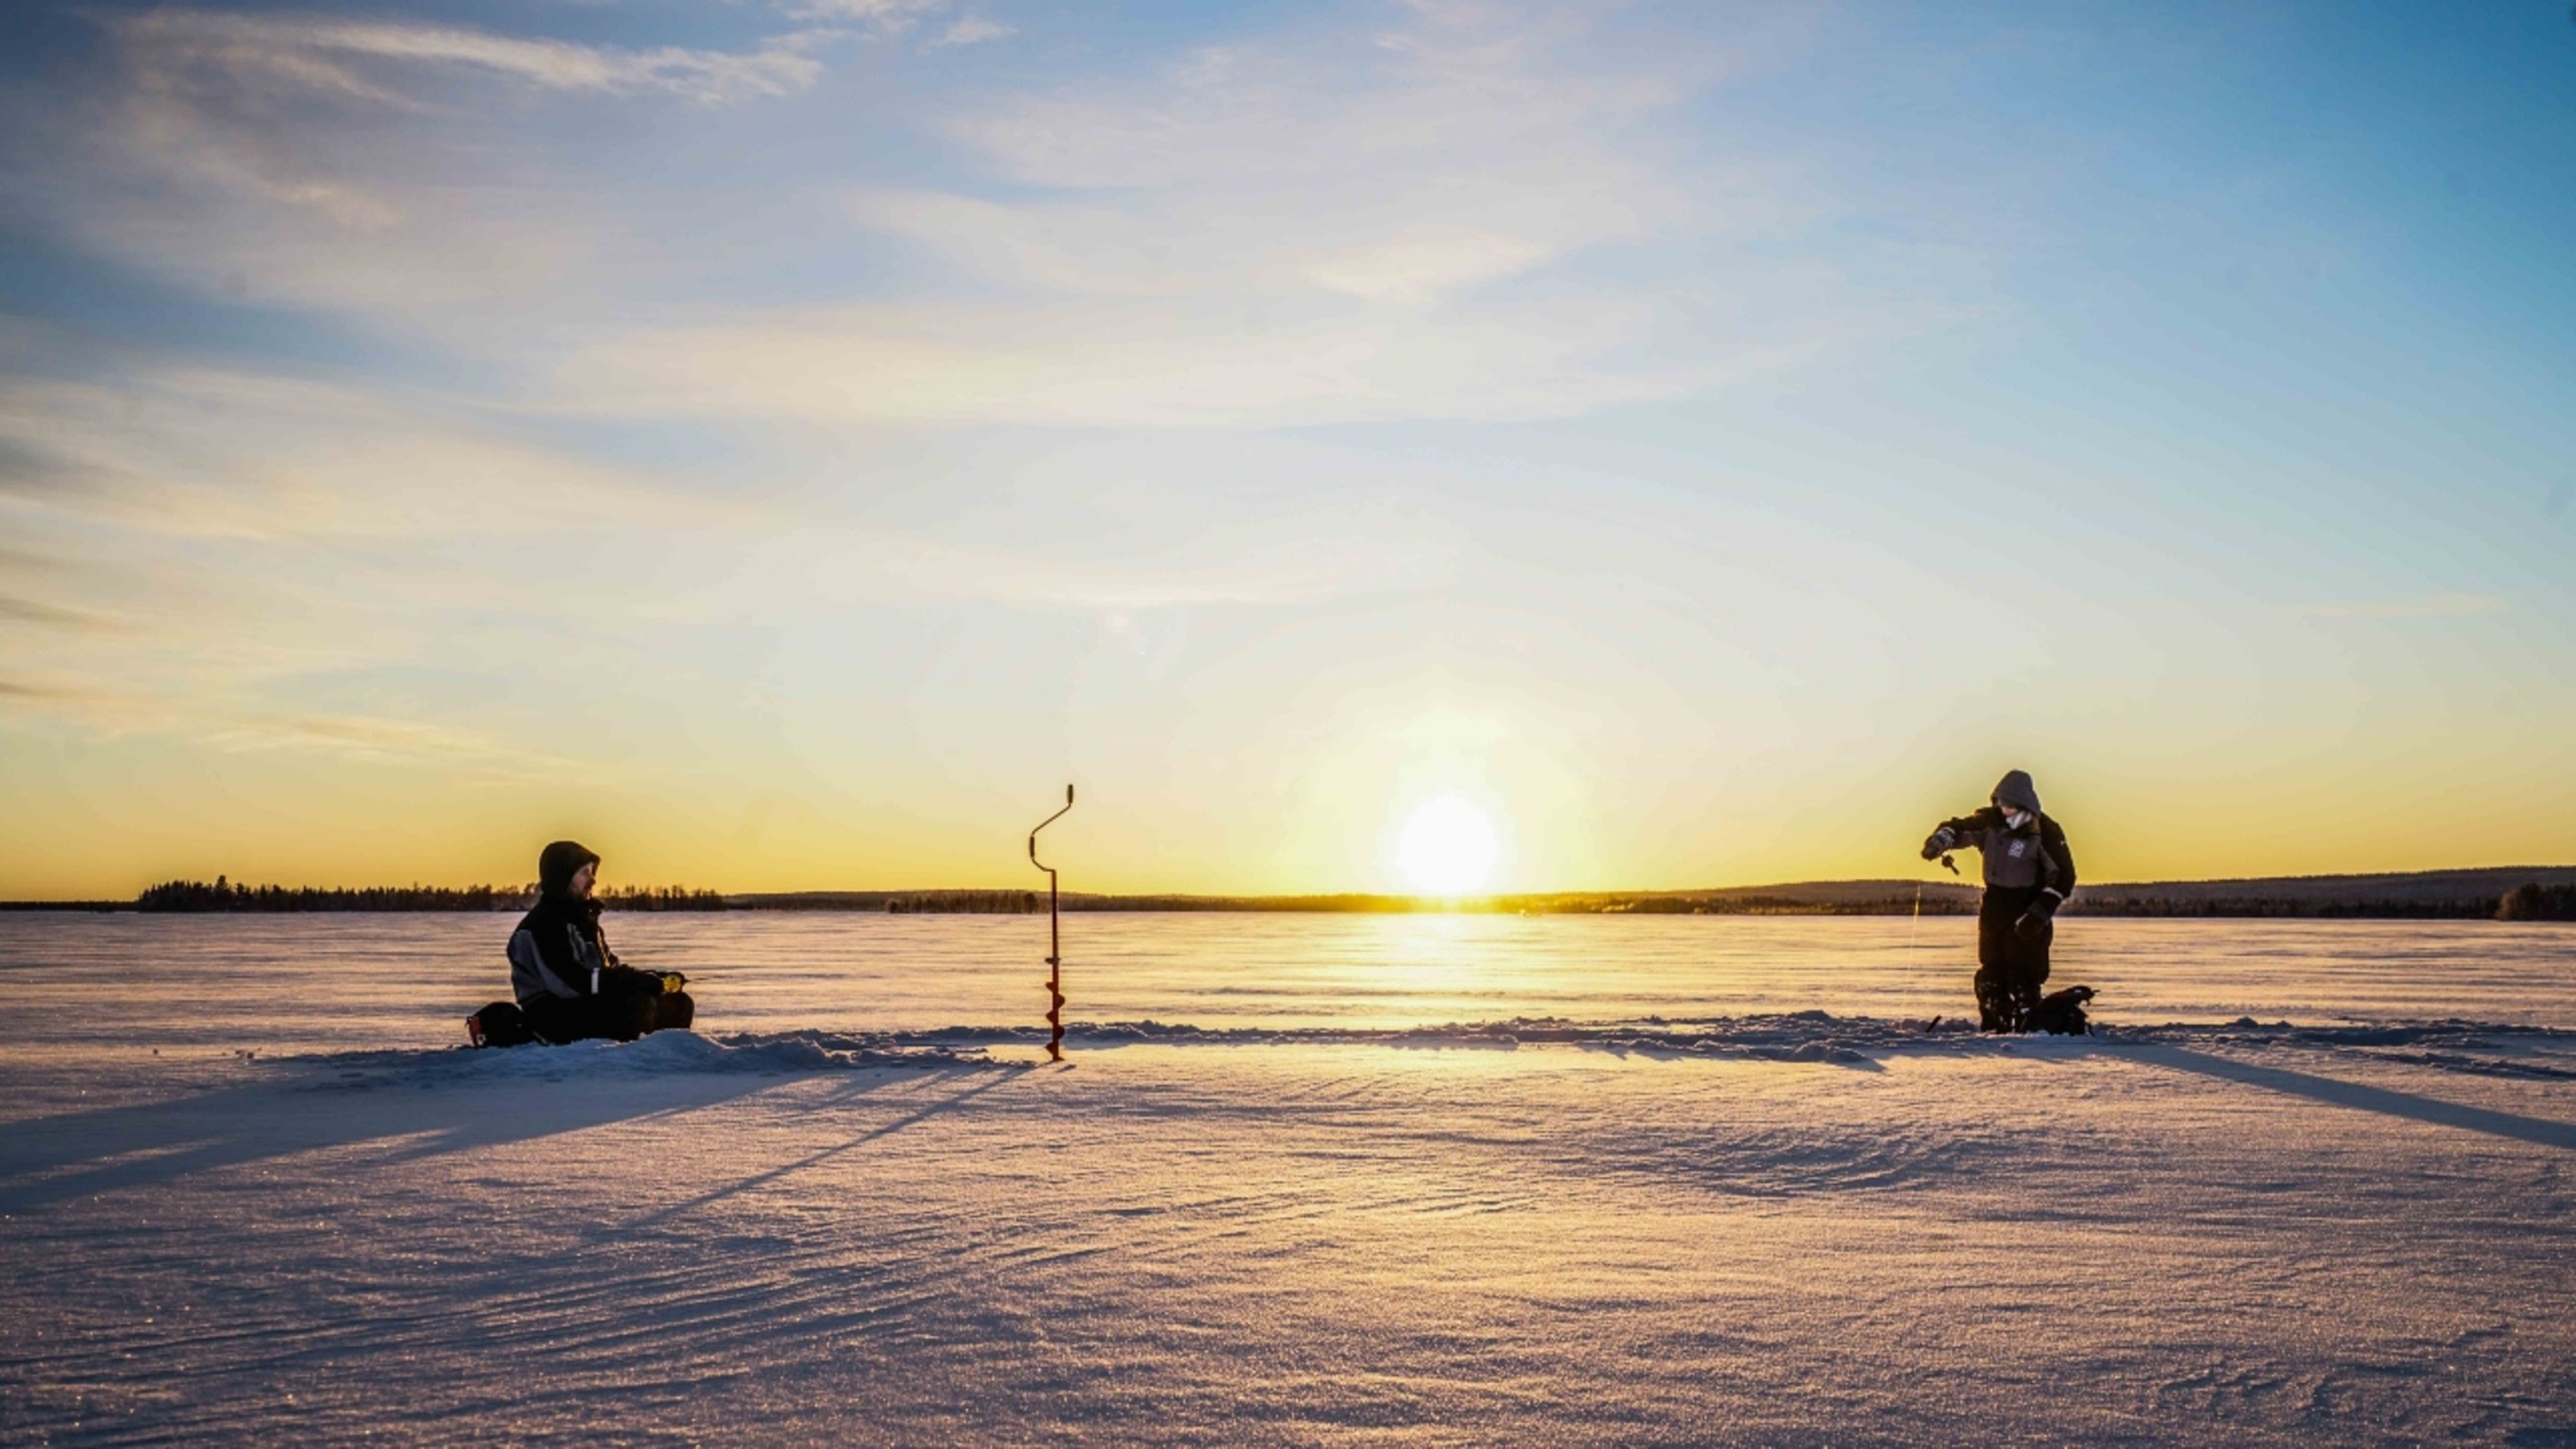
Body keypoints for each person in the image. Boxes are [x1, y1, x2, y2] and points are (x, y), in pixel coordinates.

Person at [1921, 770, 2076, 1033]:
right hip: (1994, 905)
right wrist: (1941, 839)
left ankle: (2029, 1032)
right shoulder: (1989, 822)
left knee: (2025, 978)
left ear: (2024, 805)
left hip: (2029, 907)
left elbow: (2063, 876)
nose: (2004, 810)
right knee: (1991, 974)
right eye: (2000, 804)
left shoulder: (2045, 831)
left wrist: (2039, 913)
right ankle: (1993, 1027)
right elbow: (1960, 828)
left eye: (2009, 805)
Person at [507, 840, 695, 1044]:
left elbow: (608, 969)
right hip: (553, 1016)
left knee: (678, 1003)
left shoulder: (584, 921)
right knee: (639, 1005)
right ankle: (627, 1068)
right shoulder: (539, 926)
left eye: (592, 872)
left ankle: (664, 1064)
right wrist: (632, 981)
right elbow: (569, 984)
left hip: (588, 1004)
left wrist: (652, 979)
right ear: (562, 878)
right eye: (584, 873)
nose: (593, 880)